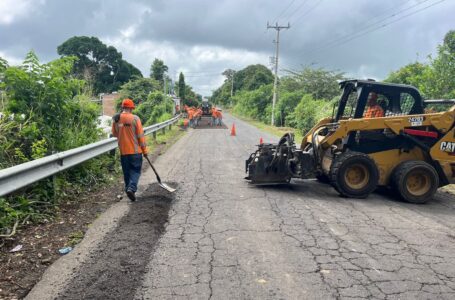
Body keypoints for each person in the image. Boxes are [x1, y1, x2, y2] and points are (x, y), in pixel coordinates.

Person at [111, 98, 148, 201]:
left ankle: (129, 190)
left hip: (123, 152)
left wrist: (122, 128)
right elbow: (141, 136)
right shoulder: (135, 119)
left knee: (127, 173)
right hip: (135, 152)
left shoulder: (116, 119)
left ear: (122, 107)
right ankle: (131, 188)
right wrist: (144, 151)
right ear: (131, 108)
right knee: (135, 171)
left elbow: (114, 134)